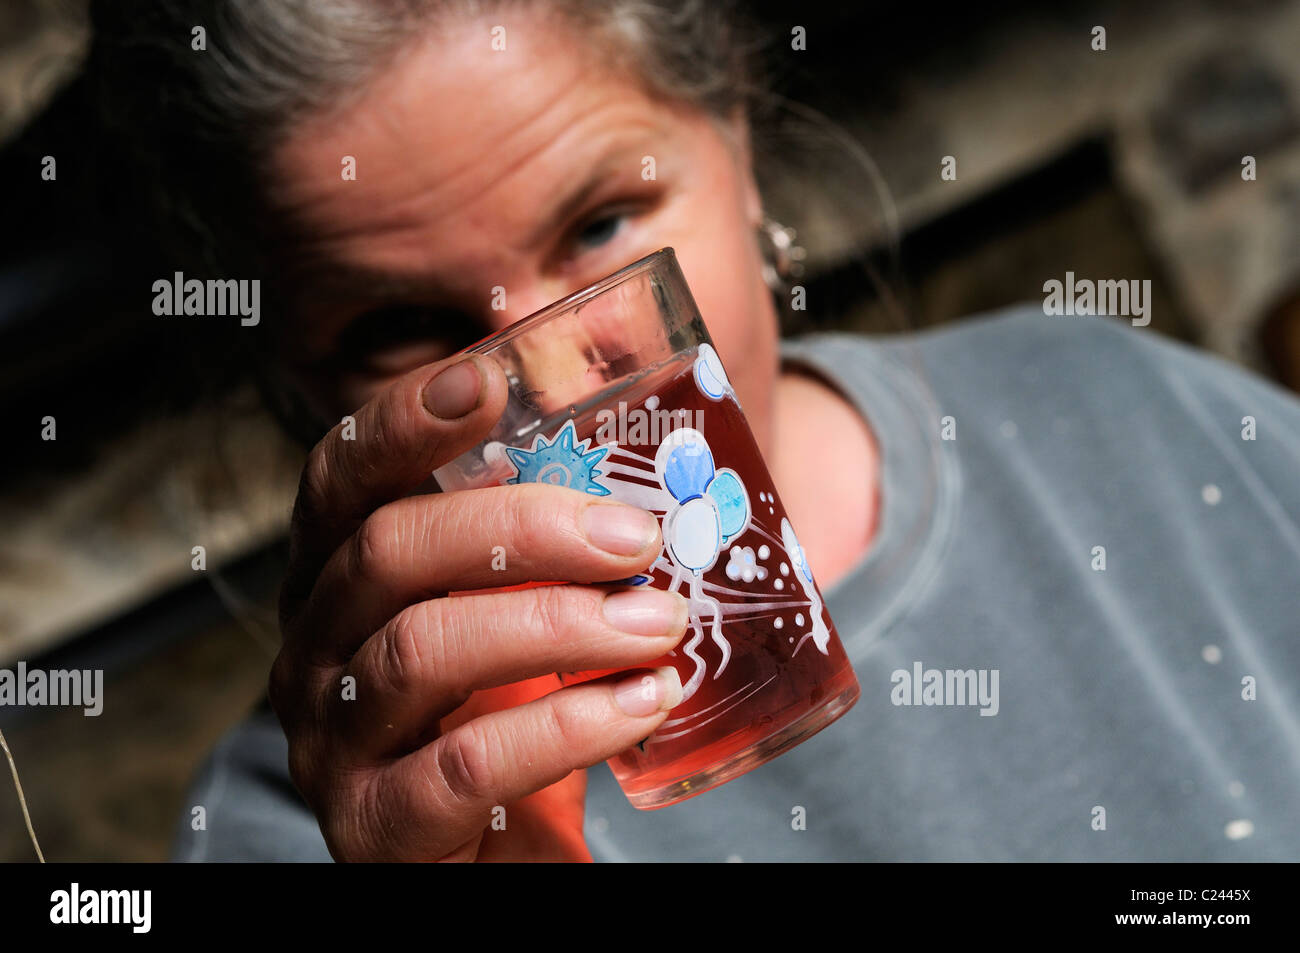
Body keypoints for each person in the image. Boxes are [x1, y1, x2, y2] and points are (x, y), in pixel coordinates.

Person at [81, 0, 1300, 861]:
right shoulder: (291, 834)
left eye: (603, 220)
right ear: (299, 387)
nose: (552, 384)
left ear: (737, 135)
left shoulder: (1115, 410)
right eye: (403, 324)